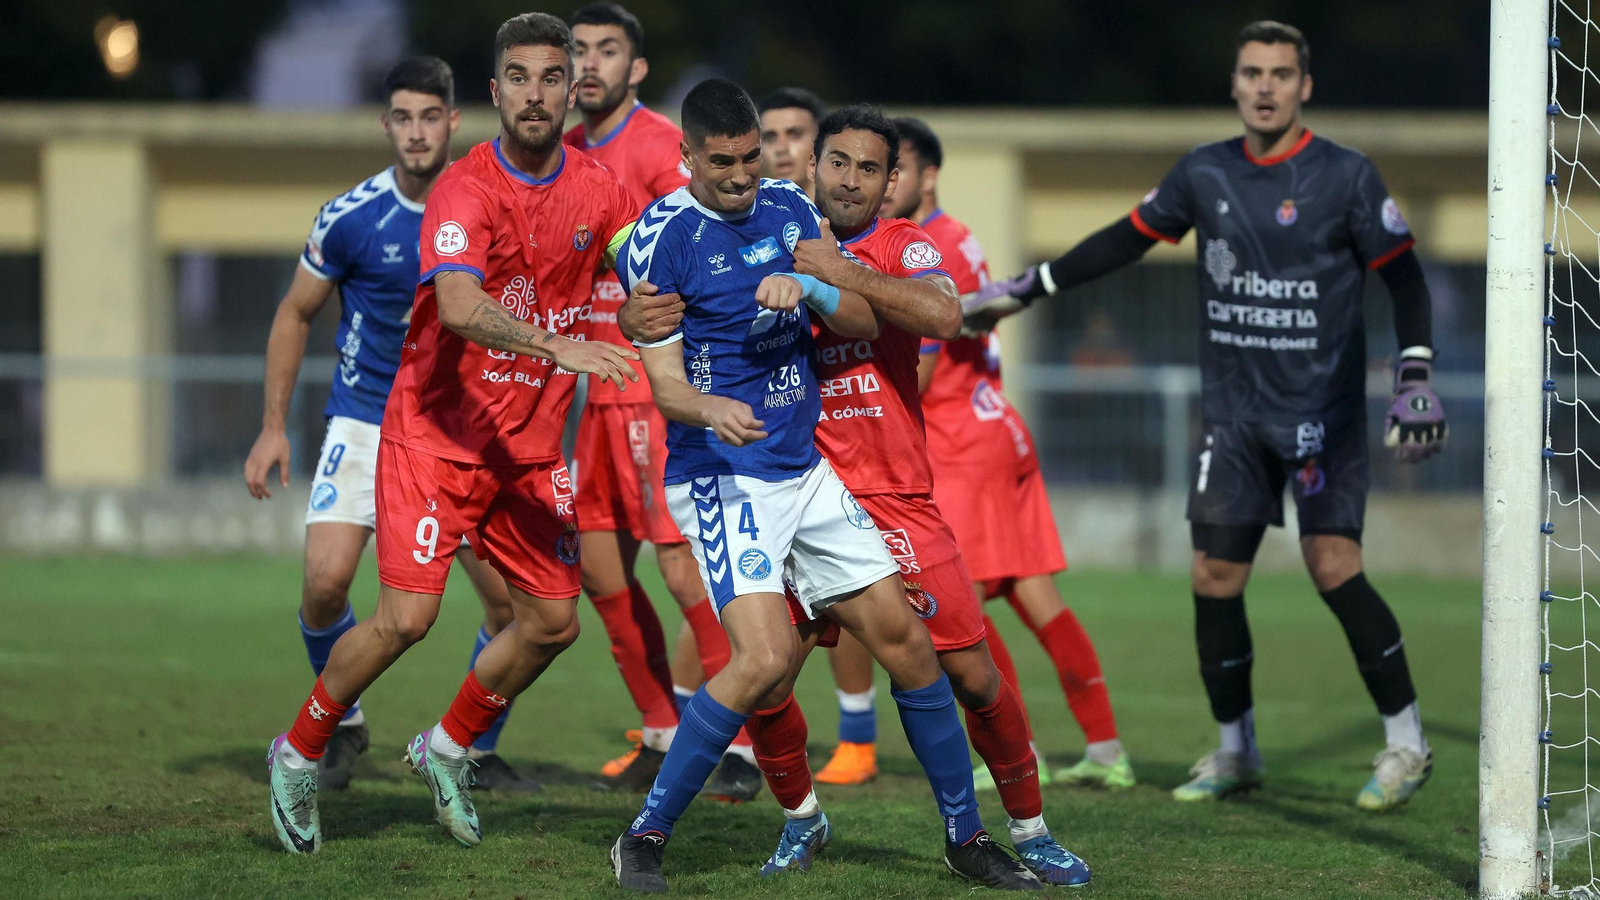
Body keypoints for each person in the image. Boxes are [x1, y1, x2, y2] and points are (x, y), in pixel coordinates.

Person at [966, 21, 1447, 811]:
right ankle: (1236, 751)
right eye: (1252, 72)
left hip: (1322, 414)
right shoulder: (1205, 172)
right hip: (1234, 418)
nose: (1265, 87)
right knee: (1213, 577)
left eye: (1280, 74)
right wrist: (1028, 288)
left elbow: (1406, 279)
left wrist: (1417, 371)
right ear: (1234, 84)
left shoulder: (1346, 176)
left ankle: (1406, 742)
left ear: (1304, 88)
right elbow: (1126, 240)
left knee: (1334, 567)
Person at [607, 78, 1039, 893]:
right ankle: (646, 834)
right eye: (723, 163)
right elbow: (662, 382)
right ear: (687, 156)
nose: (741, 178)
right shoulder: (660, 239)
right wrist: (710, 408)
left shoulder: (790, 210)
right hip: (722, 474)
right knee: (765, 661)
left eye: (751, 159)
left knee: (911, 649)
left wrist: (810, 283)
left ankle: (965, 837)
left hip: (805, 473)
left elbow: (864, 322)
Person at [264, 13, 643, 854]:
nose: (537, 93)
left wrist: (678, 297)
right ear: (497, 89)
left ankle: (447, 746)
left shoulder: (601, 187)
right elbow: (464, 308)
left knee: (551, 623)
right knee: (407, 619)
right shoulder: (463, 189)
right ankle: (300, 748)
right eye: (520, 77)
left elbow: (639, 270)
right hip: (436, 440)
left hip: (531, 451)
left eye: (554, 77)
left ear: (572, 88)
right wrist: (560, 343)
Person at [243, 57, 538, 794]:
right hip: (366, 420)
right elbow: (294, 313)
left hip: (457, 431)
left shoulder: (484, 205)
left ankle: (470, 746)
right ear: (387, 125)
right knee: (324, 584)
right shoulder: (351, 216)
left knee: (510, 606)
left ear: (453, 121)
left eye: (429, 116)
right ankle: (340, 729)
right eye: (403, 118)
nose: (416, 132)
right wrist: (272, 426)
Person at [886, 115, 1133, 791]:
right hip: (997, 429)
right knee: (1035, 595)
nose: (880, 184)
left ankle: (1015, 753)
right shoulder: (954, 238)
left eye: (894, 169)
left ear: (928, 176)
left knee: (957, 605)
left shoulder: (929, 245)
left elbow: (924, 372)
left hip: (962, 442)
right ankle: (1107, 749)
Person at [556, 0, 752, 796]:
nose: (590, 64)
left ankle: (737, 750)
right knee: (600, 572)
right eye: (580, 51)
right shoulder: (561, 155)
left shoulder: (658, 150)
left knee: (682, 574)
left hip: (650, 386)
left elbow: (702, 249)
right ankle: (662, 731)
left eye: (607, 50)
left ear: (635, 68)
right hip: (591, 389)